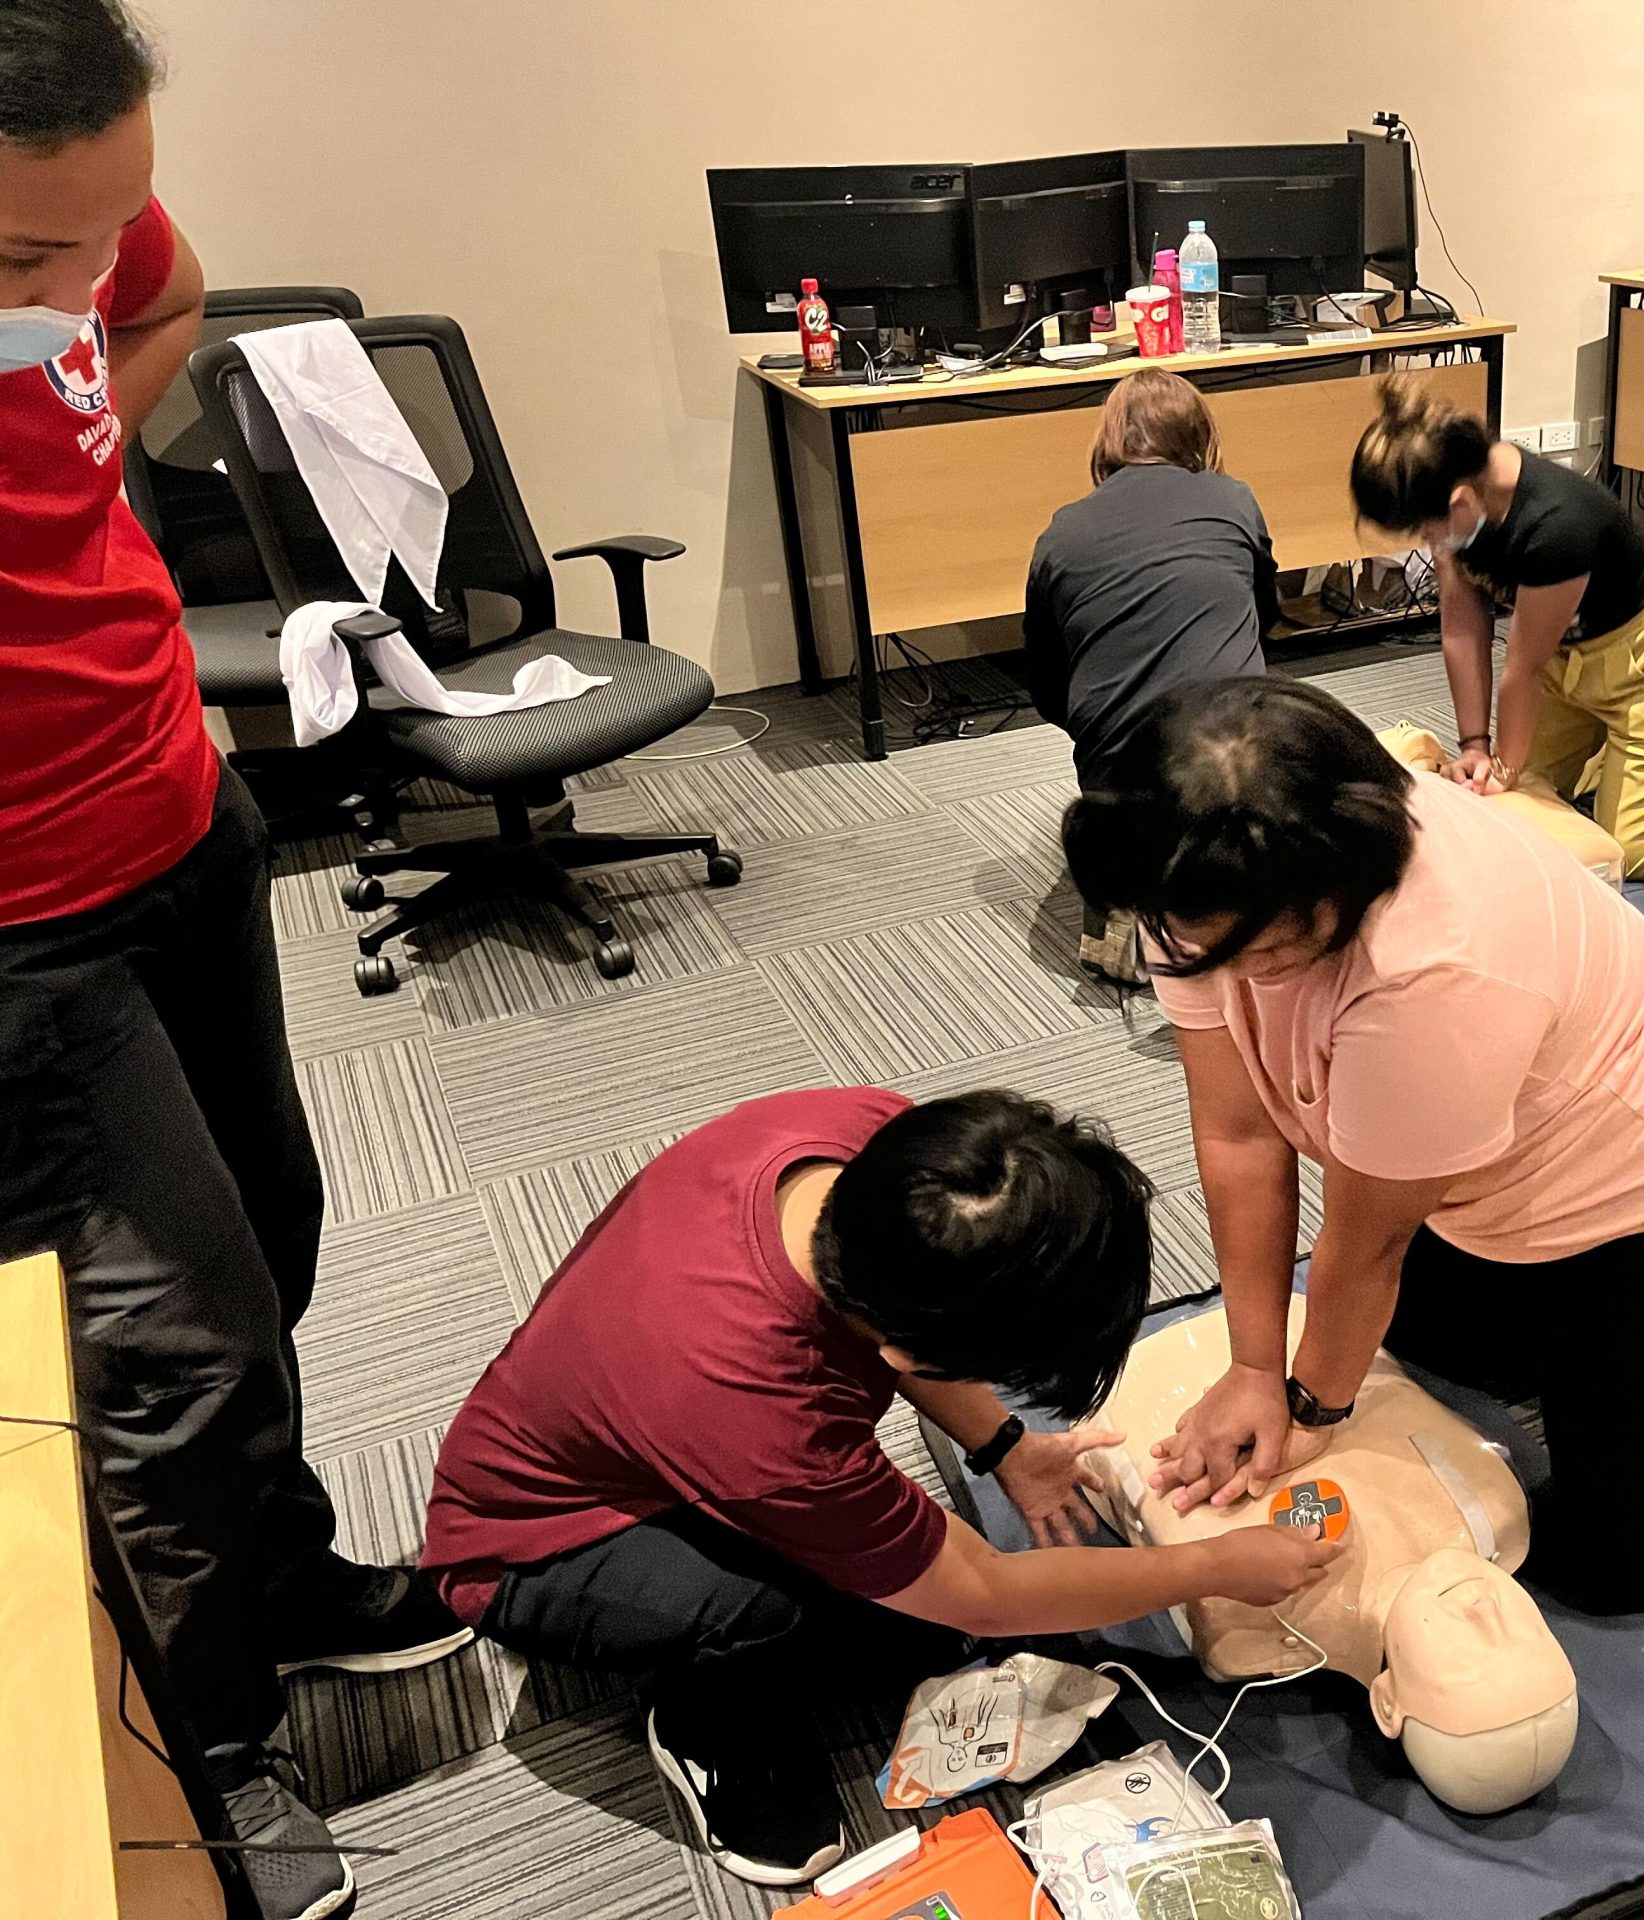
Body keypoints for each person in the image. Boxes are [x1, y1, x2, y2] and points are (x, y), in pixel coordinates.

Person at [0, 10, 466, 1917]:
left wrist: (87, 453)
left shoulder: (85, 210)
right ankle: (198, 1749)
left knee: (269, 1233)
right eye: (25, 261)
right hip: (22, 940)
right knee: (164, 1359)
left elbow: (159, 299)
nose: (69, 287)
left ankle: (281, 1579)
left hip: (181, 814)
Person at [1062, 676, 1644, 1619]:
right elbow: (1239, 1135)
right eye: (1202, 949)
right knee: (1429, 1354)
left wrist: (1309, 1406)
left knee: (1621, 1556)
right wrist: (1252, 1367)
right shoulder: (1195, 875)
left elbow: (1367, 1247)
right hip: (1498, 1178)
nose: (1233, 978)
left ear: (1345, 885)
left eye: (1266, 957)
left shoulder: (1431, 966)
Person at [421, 1088, 1336, 1889]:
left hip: (642, 1431)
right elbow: (990, 1589)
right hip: (525, 1546)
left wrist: (1008, 1443)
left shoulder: (873, 1145)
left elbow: (900, 1332)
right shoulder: (771, 1420)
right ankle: (703, 1724)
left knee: (916, 1639)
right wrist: (1216, 1565)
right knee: (788, 1614)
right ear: (901, 1350)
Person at [1348, 375, 1644, 880]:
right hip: (1566, 660)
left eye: (1422, 529)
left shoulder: (1557, 524)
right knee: (1524, 806)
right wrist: (1475, 745)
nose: (1423, 540)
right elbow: (1462, 625)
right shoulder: (1455, 485)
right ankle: (1613, 763)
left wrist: (1502, 768)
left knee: (1632, 849)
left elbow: (1521, 670)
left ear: (1459, 503)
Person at [1022, 367, 1277, 983]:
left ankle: (1127, 885)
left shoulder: (1063, 531)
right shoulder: (1232, 499)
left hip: (1118, 758)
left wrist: (1098, 731)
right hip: (1228, 744)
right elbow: (1263, 617)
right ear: (1199, 436)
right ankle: (1230, 878)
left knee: (1132, 795)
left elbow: (1044, 680)